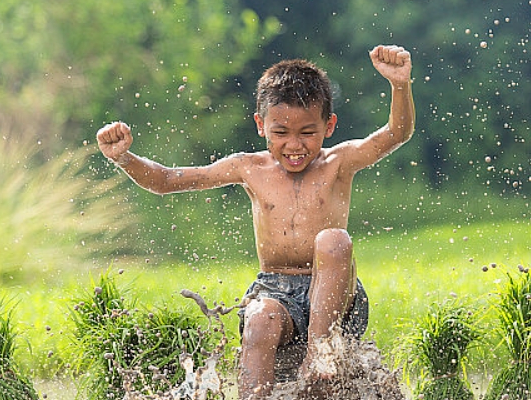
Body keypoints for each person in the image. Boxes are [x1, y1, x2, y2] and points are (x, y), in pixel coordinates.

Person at [96, 44, 415, 399]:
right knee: (259, 317)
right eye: (281, 132)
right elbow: (166, 180)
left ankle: (320, 357)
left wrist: (400, 85)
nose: (294, 145)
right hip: (276, 291)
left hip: (335, 293)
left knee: (333, 241)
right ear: (261, 125)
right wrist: (124, 158)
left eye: (307, 132)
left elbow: (395, 133)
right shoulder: (248, 167)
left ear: (329, 126)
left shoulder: (338, 162)